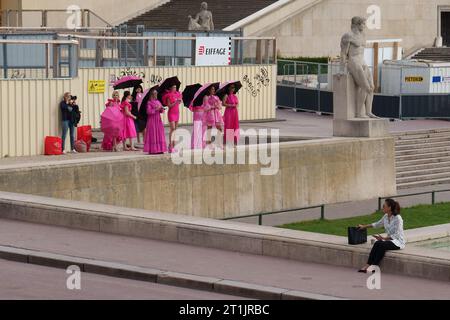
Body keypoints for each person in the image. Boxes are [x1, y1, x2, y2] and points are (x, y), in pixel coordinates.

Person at [357, 199, 406, 273]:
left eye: (384, 206)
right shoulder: (386, 216)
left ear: (389, 208)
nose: (382, 207)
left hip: (398, 242)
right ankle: (367, 265)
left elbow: (397, 234)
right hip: (389, 240)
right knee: (377, 243)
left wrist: (384, 238)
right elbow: (377, 224)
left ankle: (374, 267)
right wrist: (364, 226)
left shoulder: (398, 218)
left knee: (382, 245)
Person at [144, 89, 167, 155]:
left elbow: (161, 111)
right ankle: (153, 149)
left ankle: (160, 149)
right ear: (151, 94)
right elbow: (148, 111)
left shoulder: (158, 101)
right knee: (153, 133)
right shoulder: (149, 102)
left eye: (156, 93)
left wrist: (161, 109)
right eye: (154, 93)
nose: (156, 95)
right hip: (152, 120)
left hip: (158, 119)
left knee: (159, 132)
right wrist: (156, 109)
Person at [163, 85, 182, 153]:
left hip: (177, 112)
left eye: (175, 87)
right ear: (170, 88)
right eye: (173, 87)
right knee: (172, 128)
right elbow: (169, 106)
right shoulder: (168, 96)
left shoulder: (177, 94)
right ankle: (170, 145)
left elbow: (179, 103)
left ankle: (174, 146)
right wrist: (175, 102)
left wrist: (179, 101)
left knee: (175, 130)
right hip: (171, 113)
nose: (175, 88)